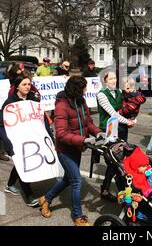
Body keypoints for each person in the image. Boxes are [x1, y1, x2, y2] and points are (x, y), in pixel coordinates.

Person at [38, 76, 102, 226]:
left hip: (77, 147)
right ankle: (78, 216)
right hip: (65, 150)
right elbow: (61, 133)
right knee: (76, 181)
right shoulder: (61, 105)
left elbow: (88, 122)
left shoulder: (81, 101)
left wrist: (98, 132)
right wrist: (84, 140)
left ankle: (46, 198)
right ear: (77, 90)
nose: (86, 91)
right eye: (84, 88)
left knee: (69, 178)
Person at [0, 73, 49, 207]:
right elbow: (1, 125)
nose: (28, 87)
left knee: (21, 164)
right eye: (24, 84)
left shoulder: (34, 99)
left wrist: (49, 135)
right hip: (16, 139)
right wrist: (7, 142)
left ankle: (10, 185)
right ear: (17, 87)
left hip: (33, 138)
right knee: (24, 165)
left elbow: (42, 118)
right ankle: (29, 195)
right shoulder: (9, 103)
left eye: (29, 84)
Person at [96, 69, 136, 201]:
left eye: (115, 78)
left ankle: (107, 189)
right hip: (109, 131)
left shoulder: (119, 92)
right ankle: (121, 192)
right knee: (114, 161)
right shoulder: (101, 95)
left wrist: (133, 117)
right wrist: (128, 121)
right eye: (110, 78)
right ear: (104, 80)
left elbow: (128, 107)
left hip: (122, 129)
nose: (113, 81)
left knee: (119, 160)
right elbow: (113, 113)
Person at [119, 77, 146, 141]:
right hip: (125, 118)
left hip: (129, 116)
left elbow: (129, 108)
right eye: (127, 88)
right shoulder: (124, 94)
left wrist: (119, 112)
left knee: (122, 137)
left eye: (131, 87)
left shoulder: (135, 95)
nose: (130, 90)